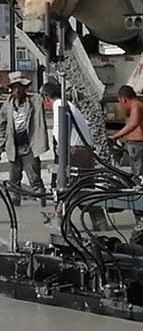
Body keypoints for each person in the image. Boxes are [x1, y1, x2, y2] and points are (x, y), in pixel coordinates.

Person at [40, 82, 106, 229]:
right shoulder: (70, 105)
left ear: (46, 97)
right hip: (85, 151)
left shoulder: (59, 106)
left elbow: (61, 131)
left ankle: (62, 224)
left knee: (65, 188)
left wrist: (60, 153)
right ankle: (99, 222)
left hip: (74, 152)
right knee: (86, 188)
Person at [110, 85, 143, 245]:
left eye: (120, 103)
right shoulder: (142, 106)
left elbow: (133, 124)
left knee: (141, 183)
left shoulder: (136, 107)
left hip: (142, 149)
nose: (121, 106)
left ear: (124, 99)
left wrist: (115, 136)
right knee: (141, 181)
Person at [0, 72, 49, 205]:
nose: (16, 91)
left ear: (24, 88)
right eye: (14, 87)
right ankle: (15, 202)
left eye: (19, 87)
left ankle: (42, 199)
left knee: (34, 176)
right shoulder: (7, 105)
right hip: (14, 146)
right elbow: (2, 127)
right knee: (14, 178)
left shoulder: (34, 101)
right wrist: (1, 146)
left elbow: (41, 98)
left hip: (29, 146)